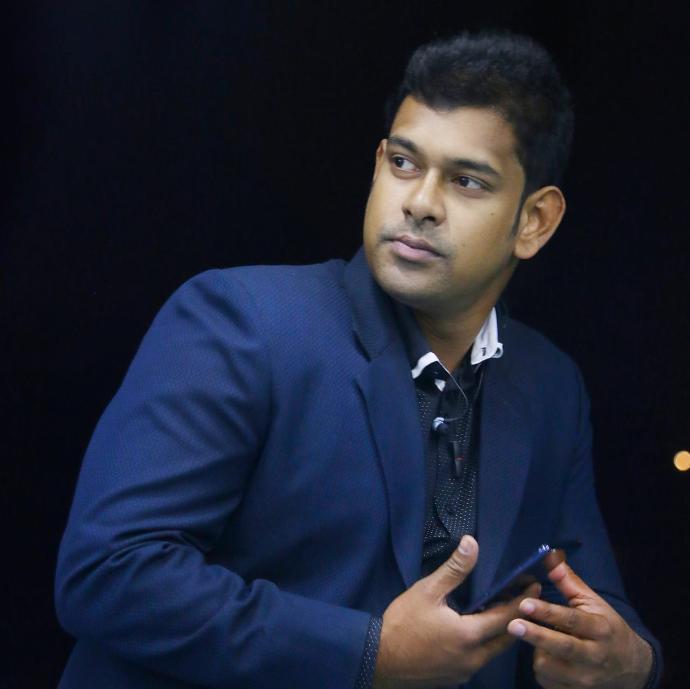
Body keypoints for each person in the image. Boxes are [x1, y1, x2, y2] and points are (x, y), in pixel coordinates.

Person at [55, 31, 661, 689]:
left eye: (466, 181)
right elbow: (108, 571)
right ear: (377, 164)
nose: (420, 203)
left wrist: (638, 662)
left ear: (535, 221)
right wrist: (368, 653)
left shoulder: (551, 385)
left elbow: (593, 603)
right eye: (404, 162)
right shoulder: (243, 322)